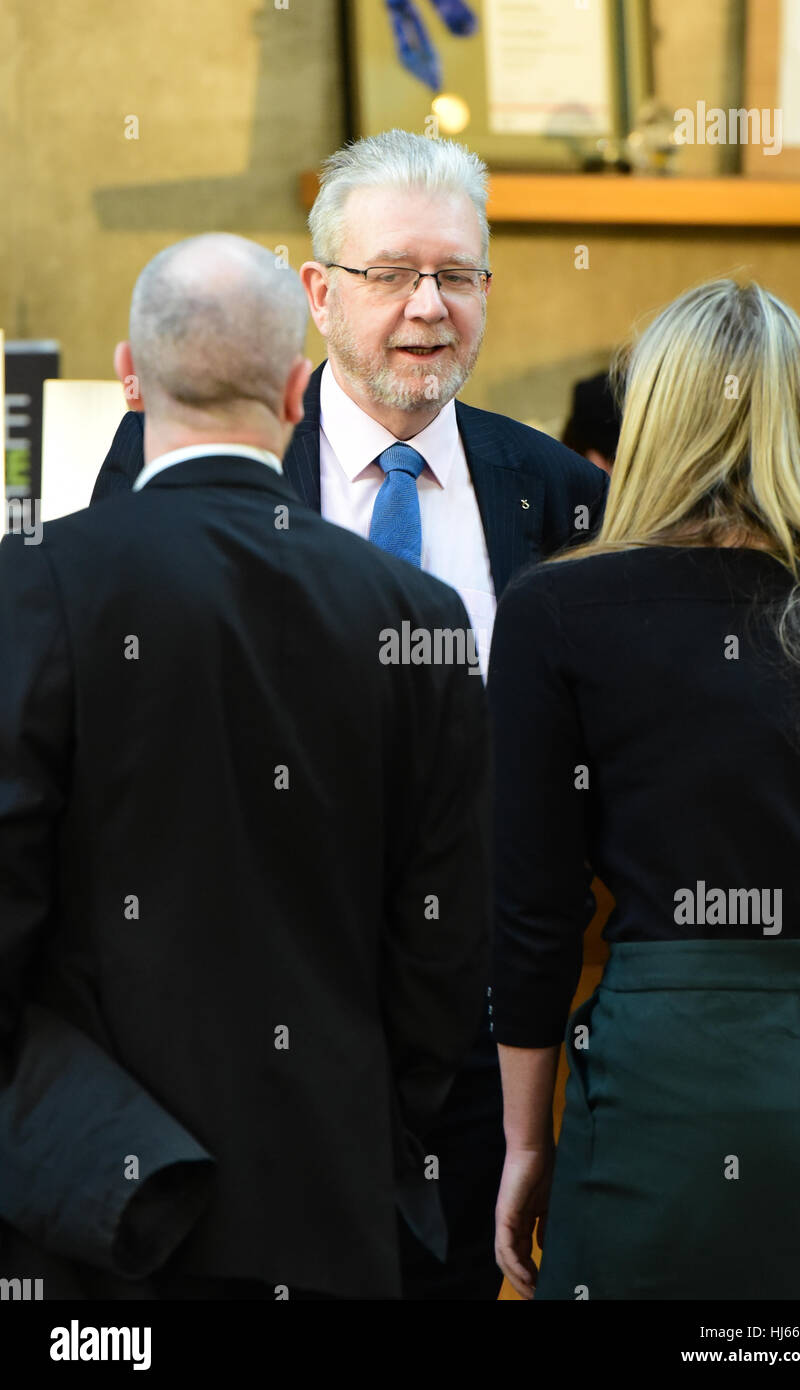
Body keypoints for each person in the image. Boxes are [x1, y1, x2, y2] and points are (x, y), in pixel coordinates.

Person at [89, 129, 608, 1301]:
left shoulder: (565, 495)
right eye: (392, 274)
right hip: (235, 1031)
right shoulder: (180, 457)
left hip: (477, 1038)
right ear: (318, 293)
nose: (429, 307)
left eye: (459, 275)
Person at [0, 233, 491, 1301]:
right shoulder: (415, 615)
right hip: (325, 1201)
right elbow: (442, 944)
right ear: (297, 387)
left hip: (95, 1220)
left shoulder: (35, 588)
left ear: (131, 376)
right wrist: (375, 1117)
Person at [487, 279, 800, 1300]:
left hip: (670, 1077)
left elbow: (533, 916)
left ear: (651, 411)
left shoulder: (557, 610)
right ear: (798, 418)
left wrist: (525, 1142)